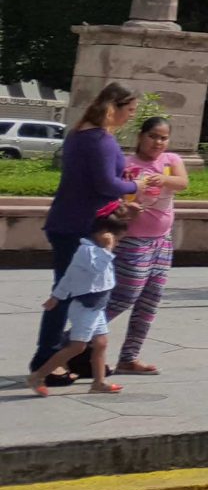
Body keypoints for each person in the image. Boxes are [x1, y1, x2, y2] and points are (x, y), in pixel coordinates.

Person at [28, 83, 152, 388]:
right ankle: (47, 361)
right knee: (72, 295)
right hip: (79, 227)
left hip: (74, 223)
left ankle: (77, 356)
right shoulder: (98, 139)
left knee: (89, 295)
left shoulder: (82, 134)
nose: (131, 117)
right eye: (130, 110)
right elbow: (104, 184)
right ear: (116, 107)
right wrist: (136, 187)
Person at [105, 117, 187, 375]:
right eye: (153, 136)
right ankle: (72, 341)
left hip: (162, 242)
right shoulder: (127, 164)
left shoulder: (171, 161)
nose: (158, 142)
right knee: (125, 296)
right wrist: (125, 207)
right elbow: (111, 197)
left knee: (150, 300)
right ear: (141, 136)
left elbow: (183, 183)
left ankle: (129, 357)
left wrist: (162, 180)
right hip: (132, 241)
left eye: (163, 138)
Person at [30, 207, 131, 396]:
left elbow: (69, 277)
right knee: (77, 346)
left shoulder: (97, 250)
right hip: (84, 307)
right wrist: (108, 249)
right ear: (105, 235)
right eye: (117, 240)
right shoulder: (88, 252)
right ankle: (39, 375)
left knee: (101, 343)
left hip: (97, 307)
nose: (117, 244)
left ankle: (99, 382)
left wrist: (56, 297)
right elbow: (93, 270)